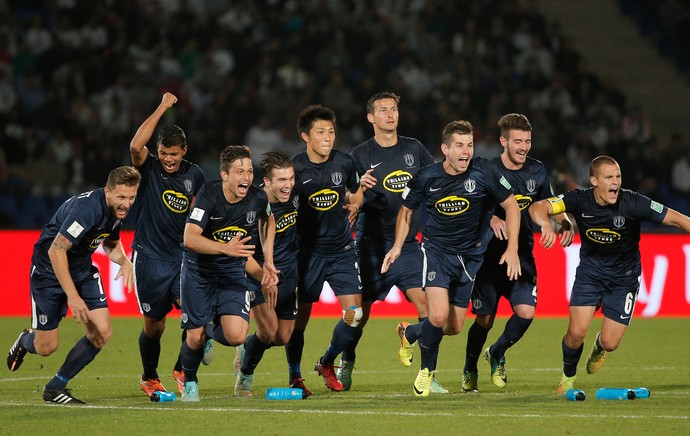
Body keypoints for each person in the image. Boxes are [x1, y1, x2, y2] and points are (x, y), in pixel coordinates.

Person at [383, 120, 522, 397]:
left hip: (471, 257)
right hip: (436, 253)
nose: (466, 151)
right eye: (459, 145)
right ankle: (427, 372)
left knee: (454, 326)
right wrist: (398, 246)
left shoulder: (485, 172)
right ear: (445, 149)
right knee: (437, 315)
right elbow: (406, 211)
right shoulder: (426, 177)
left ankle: (410, 333)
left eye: (469, 145)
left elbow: (512, 206)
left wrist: (512, 248)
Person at [528, 155, 690, 393]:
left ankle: (599, 347)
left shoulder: (633, 202)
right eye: (609, 177)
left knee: (611, 342)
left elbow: (677, 219)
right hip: (590, 274)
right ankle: (568, 378)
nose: (615, 182)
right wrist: (545, 224)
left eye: (618, 176)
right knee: (575, 333)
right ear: (594, 180)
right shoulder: (579, 200)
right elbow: (539, 206)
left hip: (624, 279)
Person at [6, 166, 141, 404]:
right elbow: (56, 250)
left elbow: (110, 244)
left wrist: (125, 261)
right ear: (107, 192)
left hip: (80, 271)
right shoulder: (86, 210)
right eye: (121, 197)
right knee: (46, 347)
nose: (126, 204)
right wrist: (73, 297)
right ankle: (26, 340)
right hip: (49, 273)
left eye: (131, 197)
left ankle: (56, 387)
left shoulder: (117, 210)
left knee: (102, 332)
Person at [461, 113, 573, 393]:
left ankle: (497, 353)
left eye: (527, 141)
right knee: (484, 319)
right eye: (517, 141)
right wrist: (491, 218)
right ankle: (469, 369)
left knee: (526, 312)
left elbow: (547, 204)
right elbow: (469, 203)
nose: (523, 146)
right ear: (503, 142)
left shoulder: (537, 170)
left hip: (521, 254)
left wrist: (563, 222)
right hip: (487, 256)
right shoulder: (485, 169)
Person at [345, 91, 442, 392]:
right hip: (371, 245)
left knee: (427, 308)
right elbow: (349, 196)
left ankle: (429, 375)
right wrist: (357, 196)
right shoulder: (359, 156)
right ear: (370, 117)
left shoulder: (415, 149)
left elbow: (434, 183)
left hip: (409, 245)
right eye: (383, 110)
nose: (390, 114)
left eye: (394, 109)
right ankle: (346, 361)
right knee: (359, 314)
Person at [177, 145, 277, 402]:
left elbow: (268, 219)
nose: (246, 177)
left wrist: (268, 263)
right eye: (239, 172)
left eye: (249, 171)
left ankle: (211, 329)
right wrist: (226, 248)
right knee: (194, 336)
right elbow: (189, 238)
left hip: (232, 273)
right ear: (224, 175)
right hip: (199, 273)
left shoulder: (258, 198)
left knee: (236, 337)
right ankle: (189, 381)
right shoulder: (208, 196)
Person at [129, 92, 207, 397]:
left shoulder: (195, 175)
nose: (168, 159)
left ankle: (182, 369)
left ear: (184, 151)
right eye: (163, 152)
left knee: (197, 324)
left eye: (174, 153)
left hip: (184, 259)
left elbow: (203, 215)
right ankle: (149, 377)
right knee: (155, 326)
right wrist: (162, 106)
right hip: (149, 257)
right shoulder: (150, 168)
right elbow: (136, 146)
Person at [285, 104, 363, 393]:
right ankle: (295, 374)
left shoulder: (344, 163)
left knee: (355, 315)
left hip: (342, 251)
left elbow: (357, 193)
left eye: (331, 131)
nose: (328, 137)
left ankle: (327, 361)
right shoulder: (294, 169)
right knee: (299, 321)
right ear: (306, 136)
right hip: (307, 254)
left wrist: (356, 203)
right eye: (321, 132)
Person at [233, 150, 301, 397]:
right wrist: (263, 275)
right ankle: (245, 378)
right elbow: (241, 251)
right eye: (281, 180)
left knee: (283, 336)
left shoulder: (295, 197)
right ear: (267, 182)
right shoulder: (251, 206)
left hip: (288, 273)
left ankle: (245, 346)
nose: (288, 185)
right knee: (268, 331)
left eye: (291, 178)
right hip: (258, 276)